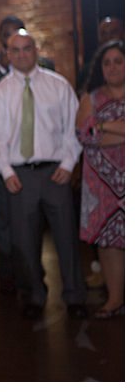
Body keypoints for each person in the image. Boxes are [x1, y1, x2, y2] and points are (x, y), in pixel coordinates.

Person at [0, 29, 87, 320]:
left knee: (67, 238)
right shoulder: (0, 92)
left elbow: (74, 130)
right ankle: (33, 295)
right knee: (23, 242)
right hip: (20, 176)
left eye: (27, 48)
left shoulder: (59, 86)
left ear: (36, 49)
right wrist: (6, 172)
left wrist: (69, 164)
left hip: (56, 172)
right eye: (15, 50)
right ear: (8, 54)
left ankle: (74, 296)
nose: (21, 54)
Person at [0, 15, 55, 293]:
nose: (14, 42)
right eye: (7, 35)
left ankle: (35, 276)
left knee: (37, 223)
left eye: (18, 36)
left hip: (37, 160)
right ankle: (11, 273)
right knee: (6, 220)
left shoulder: (44, 69)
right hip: (0, 158)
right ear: (2, 41)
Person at [76, 40, 124, 318]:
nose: (113, 66)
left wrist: (102, 126)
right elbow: (84, 134)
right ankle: (115, 299)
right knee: (108, 242)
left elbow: (95, 131)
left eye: (119, 60)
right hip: (103, 186)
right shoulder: (90, 98)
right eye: (107, 62)